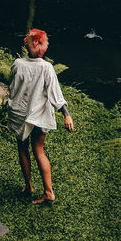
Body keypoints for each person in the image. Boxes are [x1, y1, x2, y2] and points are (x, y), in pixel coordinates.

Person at [8, 28, 73, 205]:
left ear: (30, 44)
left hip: (21, 114)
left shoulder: (18, 64)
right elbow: (56, 94)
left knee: (22, 147)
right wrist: (66, 115)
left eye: (27, 39)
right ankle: (48, 192)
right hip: (40, 115)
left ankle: (29, 186)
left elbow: (12, 88)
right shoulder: (47, 67)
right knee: (39, 151)